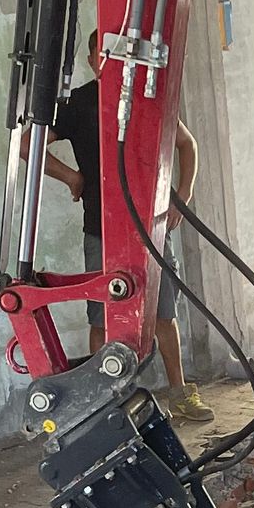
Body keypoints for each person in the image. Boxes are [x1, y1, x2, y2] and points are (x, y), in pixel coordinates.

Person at [44, 36, 213, 424]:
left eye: (113, 55)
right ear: (90, 60)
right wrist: (72, 177)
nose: (107, 61)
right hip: (101, 229)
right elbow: (26, 146)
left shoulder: (147, 96)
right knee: (102, 318)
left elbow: (187, 144)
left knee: (162, 315)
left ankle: (180, 393)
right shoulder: (77, 103)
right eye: (99, 55)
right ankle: (106, 403)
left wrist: (181, 195)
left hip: (151, 227)